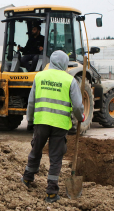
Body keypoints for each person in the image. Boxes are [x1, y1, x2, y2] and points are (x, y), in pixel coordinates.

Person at [21, 50, 84, 203]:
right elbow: (77, 106)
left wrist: (30, 120)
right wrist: (80, 117)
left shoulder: (40, 76)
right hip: (60, 125)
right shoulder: (70, 80)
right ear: (64, 63)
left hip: (41, 121)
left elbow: (31, 102)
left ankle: (27, 179)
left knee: (36, 150)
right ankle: (51, 192)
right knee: (56, 158)